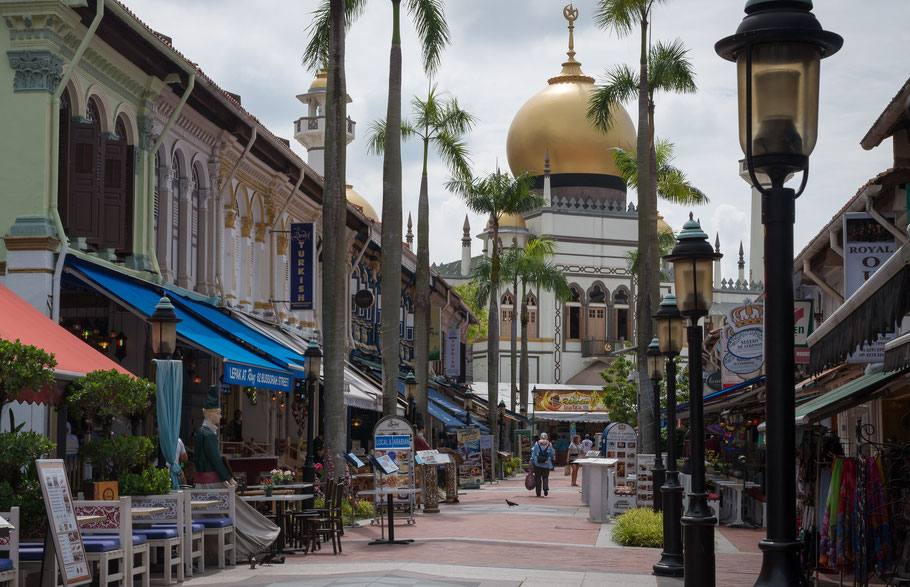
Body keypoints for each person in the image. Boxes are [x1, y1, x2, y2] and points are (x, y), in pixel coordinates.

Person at [194, 386, 278, 561]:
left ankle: (211, 554)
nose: (220, 416)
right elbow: (216, 459)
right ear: (209, 414)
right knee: (238, 514)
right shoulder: (208, 434)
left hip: (201, 484)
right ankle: (259, 537)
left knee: (215, 515)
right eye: (217, 413)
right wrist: (229, 478)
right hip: (212, 484)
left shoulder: (200, 433)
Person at [531, 432, 555, 497]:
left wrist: (531, 460)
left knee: (537, 478)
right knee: (545, 476)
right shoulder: (549, 444)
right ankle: (545, 488)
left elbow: (534, 453)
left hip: (537, 462)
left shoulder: (536, 443)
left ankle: (538, 492)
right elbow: (552, 453)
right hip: (546, 463)